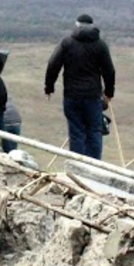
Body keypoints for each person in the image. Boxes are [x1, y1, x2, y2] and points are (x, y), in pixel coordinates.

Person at [44, 14, 116, 160]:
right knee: (94, 131)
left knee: (76, 132)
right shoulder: (100, 45)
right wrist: (109, 93)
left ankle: (77, 165)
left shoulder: (67, 42)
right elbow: (109, 70)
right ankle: (94, 166)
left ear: (76, 25)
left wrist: (49, 87)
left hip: (72, 95)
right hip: (93, 96)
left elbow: (53, 64)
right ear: (92, 26)